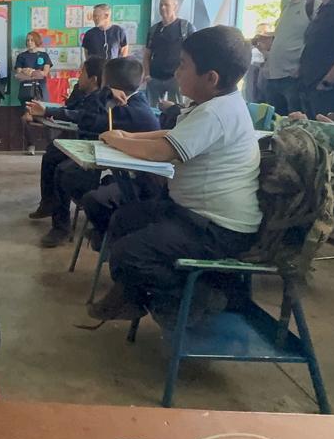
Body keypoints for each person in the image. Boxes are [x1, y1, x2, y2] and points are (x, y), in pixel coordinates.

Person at [89, 26, 260, 325]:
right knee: (124, 220)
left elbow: (163, 151)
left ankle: (202, 294)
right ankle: (132, 295)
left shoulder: (216, 113)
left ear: (211, 78)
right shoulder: (212, 105)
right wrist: (128, 136)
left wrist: (117, 141)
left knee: (129, 254)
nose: (176, 72)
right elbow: (172, 135)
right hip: (191, 214)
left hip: (217, 229)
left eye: (183, 65)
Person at [37, 58, 159, 247]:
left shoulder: (131, 109)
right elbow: (87, 110)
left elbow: (90, 121)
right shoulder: (125, 100)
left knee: (66, 173)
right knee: (59, 161)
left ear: (108, 81)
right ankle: (60, 215)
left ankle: (69, 227)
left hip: (143, 182)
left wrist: (104, 92)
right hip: (122, 164)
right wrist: (106, 92)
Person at [25, 56, 106, 220]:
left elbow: (80, 116)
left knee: (61, 169)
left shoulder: (101, 99)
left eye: (82, 73)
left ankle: (61, 225)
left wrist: (47, 111)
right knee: (51, 154)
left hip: (93, 146)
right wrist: (42, 112)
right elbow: (69, 108)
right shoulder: (84, 94)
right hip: (79, 141)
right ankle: (48, 204)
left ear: (93, 79)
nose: (79, 76)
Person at [263, 0, 313, 115]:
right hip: (274, 76)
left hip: (294, 78)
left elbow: (318, 41)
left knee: (296, 124)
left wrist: (303, 67)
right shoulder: (287, 7)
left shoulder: (313, 4)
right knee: (276, 124)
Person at [143, 0, 195, 105]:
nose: (163, 8)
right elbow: (147, 54)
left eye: (166, 5)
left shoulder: (185, 27)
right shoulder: (154, 29)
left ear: (175, 7)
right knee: (152, 110)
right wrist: (147, 75)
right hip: (154, 78)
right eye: (161, 5)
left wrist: (187, 75)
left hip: (176, 79)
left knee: (176, 109)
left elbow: (195, 53)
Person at [16, 32, 53, 155]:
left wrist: (29, 71)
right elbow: (18, 75)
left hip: (41, 91)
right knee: (26, 118)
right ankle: (30, 145)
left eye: (32, 40)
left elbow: (44, 73)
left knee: (45, 117)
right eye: (27, 40)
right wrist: (34, 73)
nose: (29, 42)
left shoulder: (44, 55)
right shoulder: (21, 56)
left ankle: (50, 145)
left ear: (37, 41)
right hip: (26, 91)